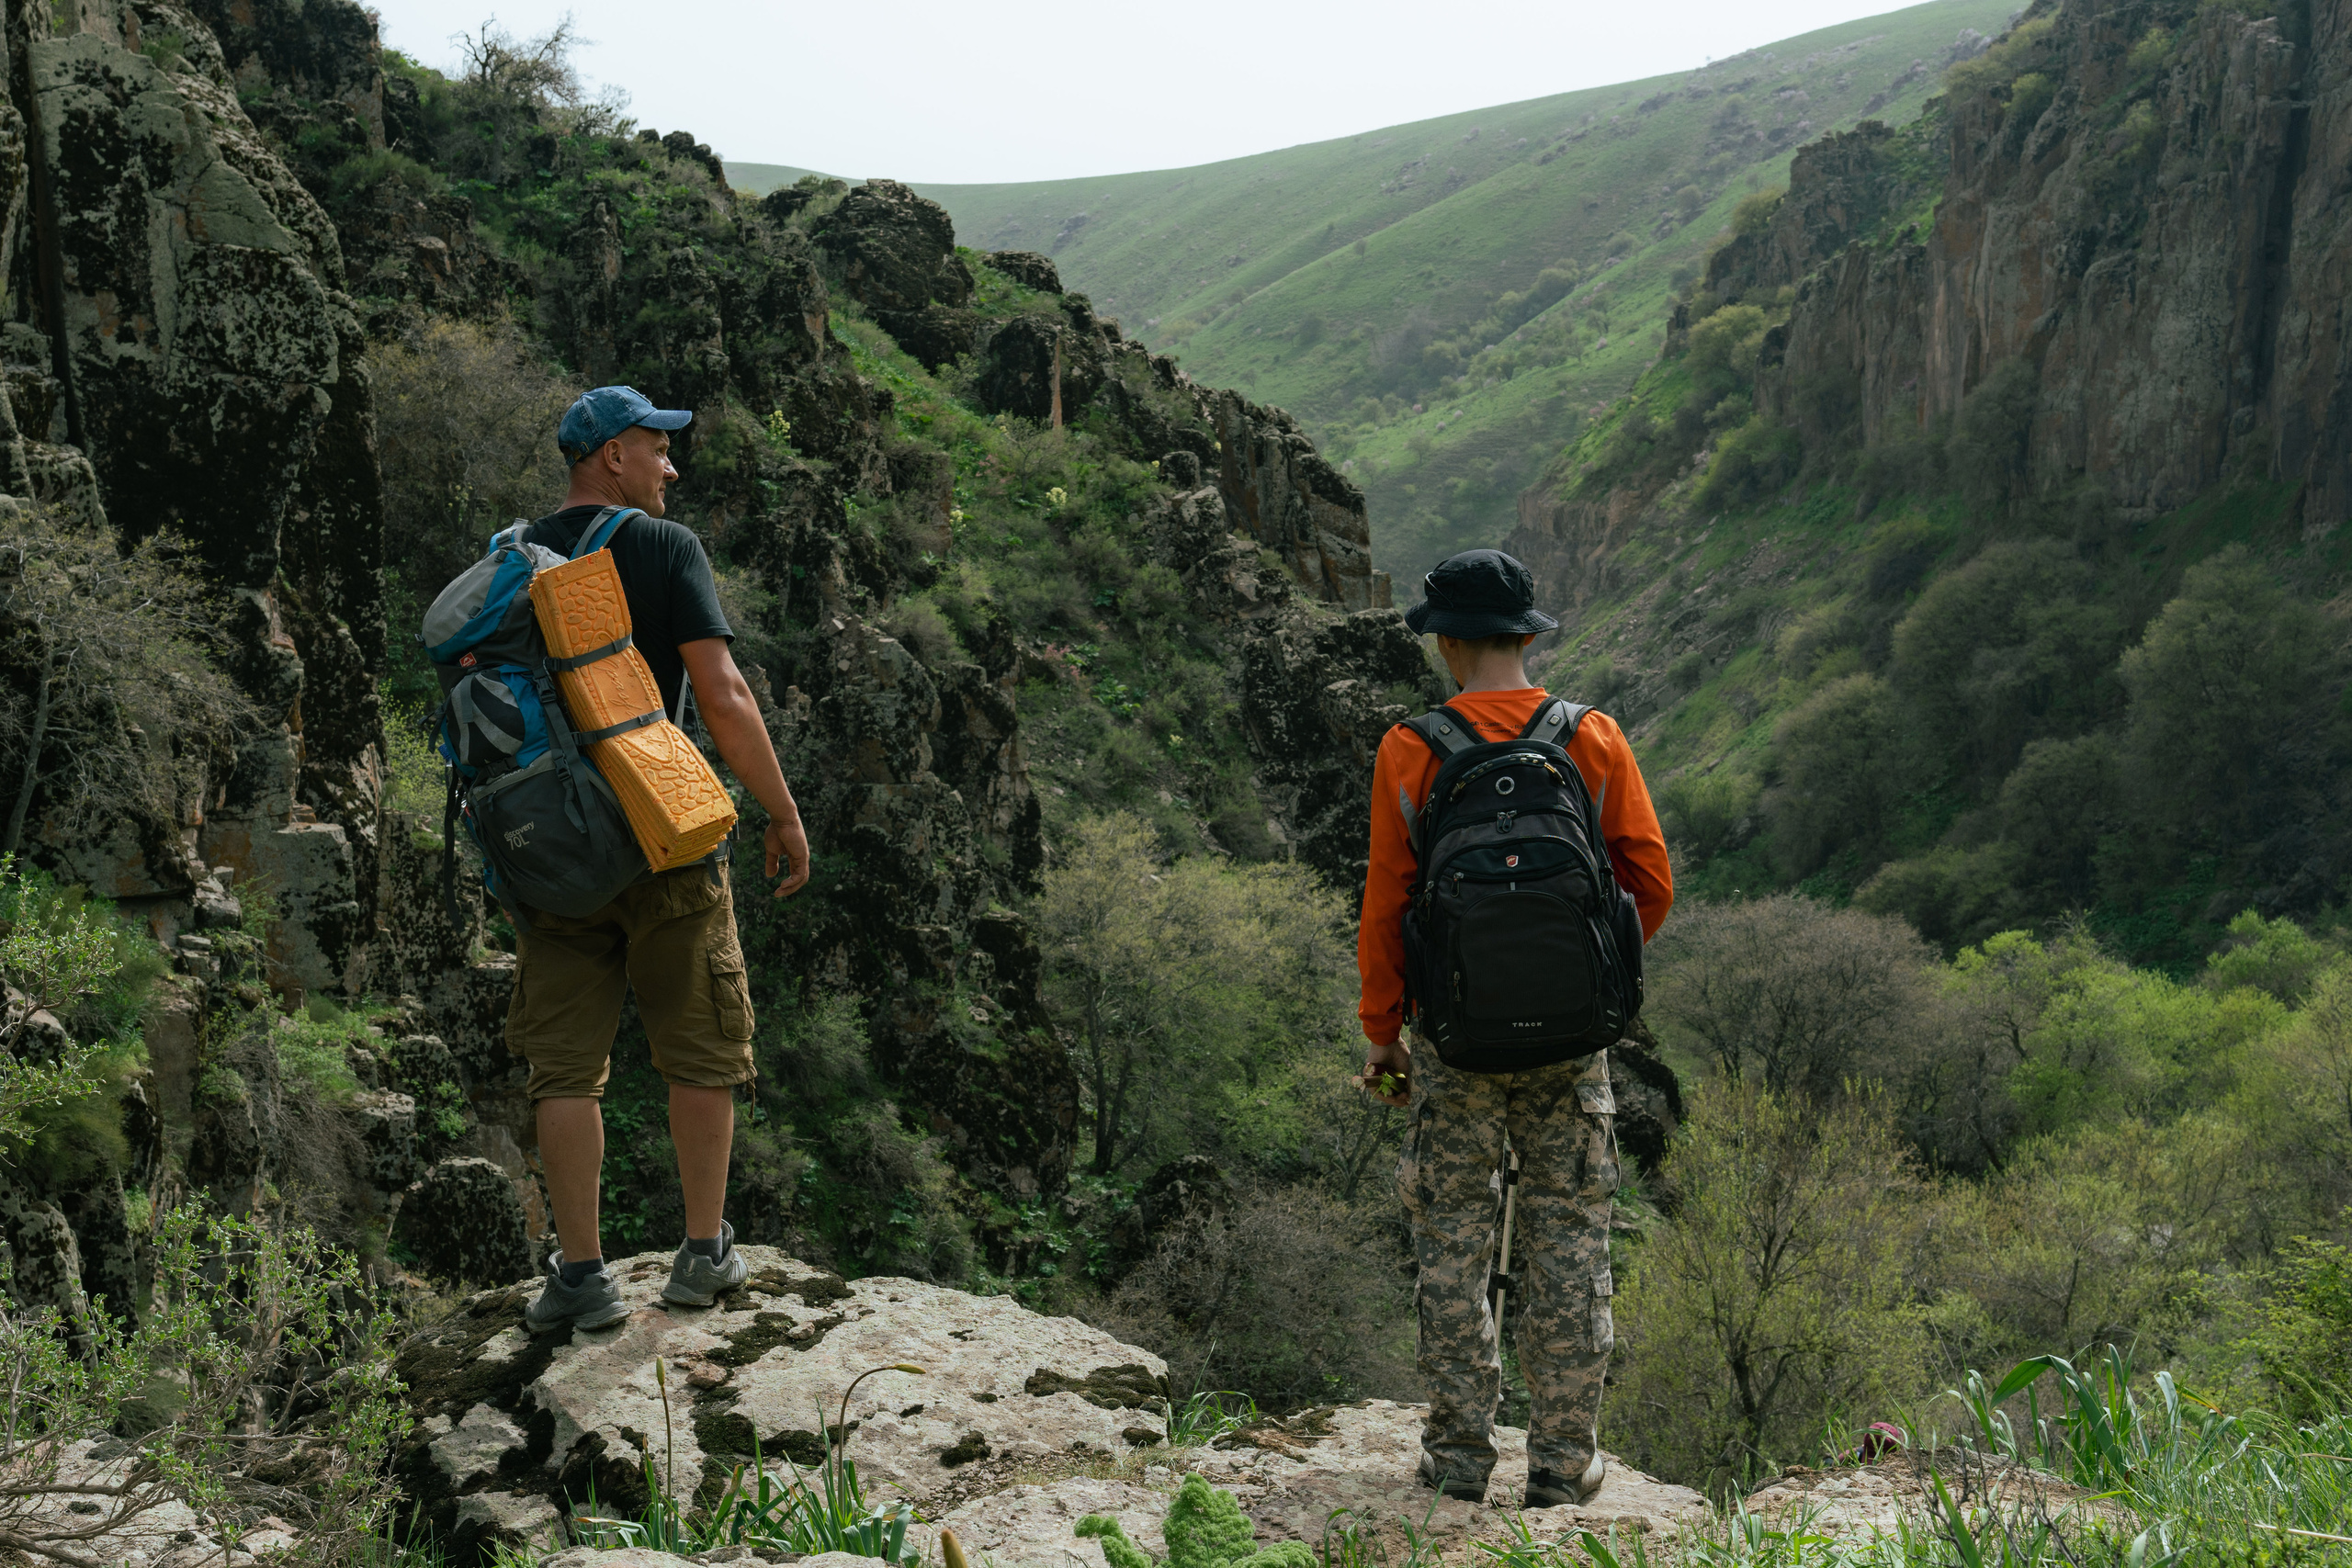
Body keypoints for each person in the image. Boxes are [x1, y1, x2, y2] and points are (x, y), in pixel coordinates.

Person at [1357, 548, 1672, 1507]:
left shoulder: (1410, 750)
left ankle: (1458, 1458)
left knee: (1452, 1239)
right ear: (1527, 635)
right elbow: (1648, 884)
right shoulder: (1592, 737)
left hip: (1453, 1043)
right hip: (1571, 1046)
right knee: (1570, 1241)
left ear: (1446, 644)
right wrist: (1587, 977)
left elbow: (1386, 906)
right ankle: (1562, 1464)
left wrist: (1385, 1030)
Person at [514, 385, 813, 1334]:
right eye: (657, 447)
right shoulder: (662, 547)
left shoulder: (512, 557)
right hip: (666, 834)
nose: (670, 468)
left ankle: (581, 1274)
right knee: (700, 1044)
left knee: (565, 1067)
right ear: (612, 455)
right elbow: (721, 695)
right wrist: (781, 812)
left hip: (556, 851)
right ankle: (702, 1253)